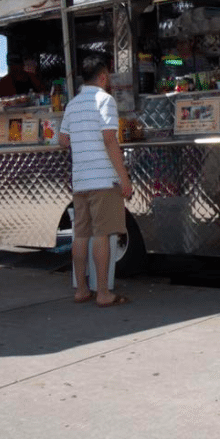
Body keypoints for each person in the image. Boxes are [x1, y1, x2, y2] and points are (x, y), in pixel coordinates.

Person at [59, 52, 132, 307]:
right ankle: (103, 292)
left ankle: (81, 290)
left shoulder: (72, 104)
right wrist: (124, 179)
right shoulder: (105, 100)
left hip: (80, 180)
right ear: (102, 77)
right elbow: (110, 139)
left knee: (80, 235)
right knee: (102, 235)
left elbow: (63, 140)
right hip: (102, 179)